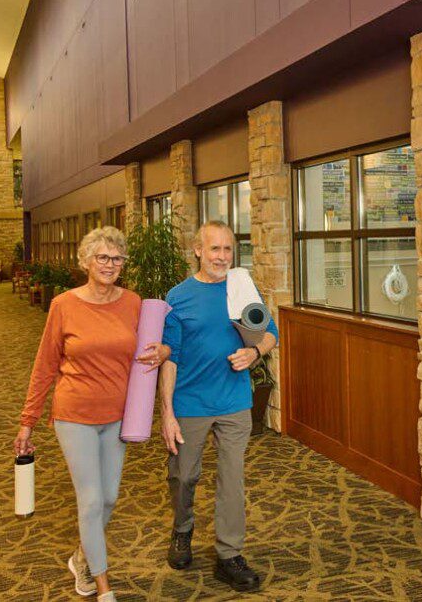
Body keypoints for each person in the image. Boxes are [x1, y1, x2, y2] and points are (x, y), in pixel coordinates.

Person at [14, 227, 169, 601]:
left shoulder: (133, 302)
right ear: (86, 261)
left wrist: (163, 351)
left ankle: (83, 553)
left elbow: (153, 346)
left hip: (117, 416)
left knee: (111, 497)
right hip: (74, 414)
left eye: (116, 258)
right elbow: (45, 365)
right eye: (102, 257)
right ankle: (102, 585)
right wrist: (27, 420)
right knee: (91, 498)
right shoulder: (64, 305)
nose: (110, 264)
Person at [157, 220, 277, 592]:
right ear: (197, 250)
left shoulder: (242, 287)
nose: (222, 257)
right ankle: (182, 529)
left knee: (231, 480)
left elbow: (270, 333)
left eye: (228, 249)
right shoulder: (177, 297)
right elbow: (170, 358)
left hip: (234, 401)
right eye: (214, 249)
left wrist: (254, 352)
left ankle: (229, 554)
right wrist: (167, 413)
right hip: (190, 402)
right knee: (183, 475)